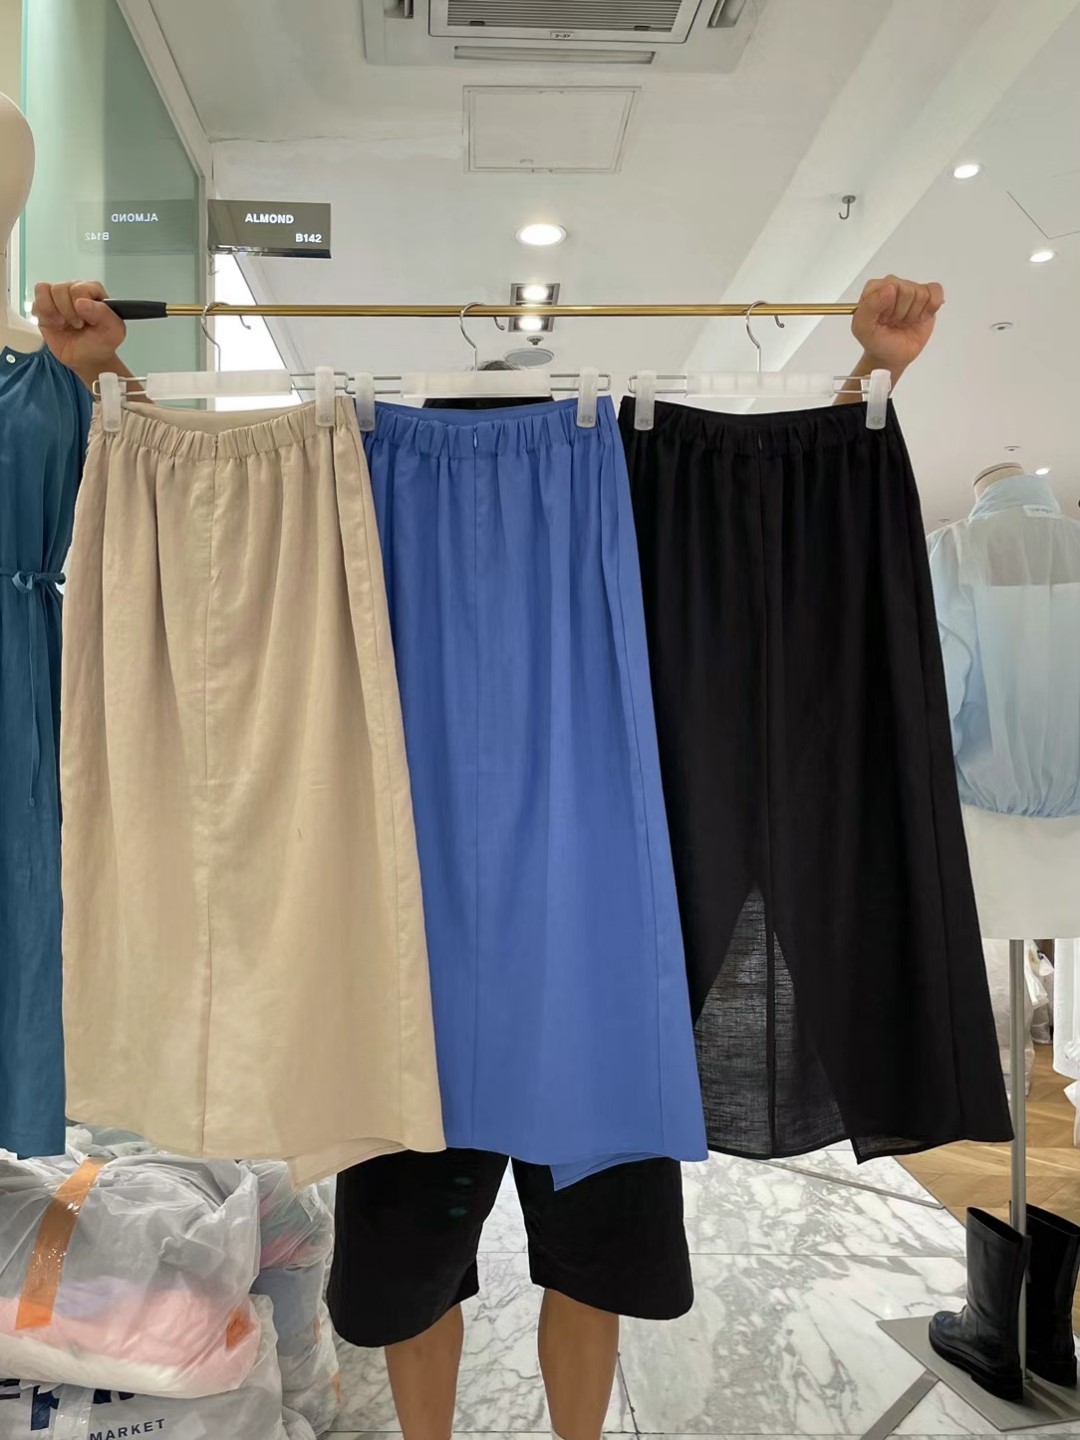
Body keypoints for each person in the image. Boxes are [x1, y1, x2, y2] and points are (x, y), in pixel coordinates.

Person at [35, 273, 944, 1440]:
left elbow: (776, 515)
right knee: (421, 1272)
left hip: (579, 939)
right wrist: (108, 379)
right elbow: (201, 510)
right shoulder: (342, 502)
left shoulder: (616, 489)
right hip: (417, 959)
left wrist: (874, 378)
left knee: (576, 1264)